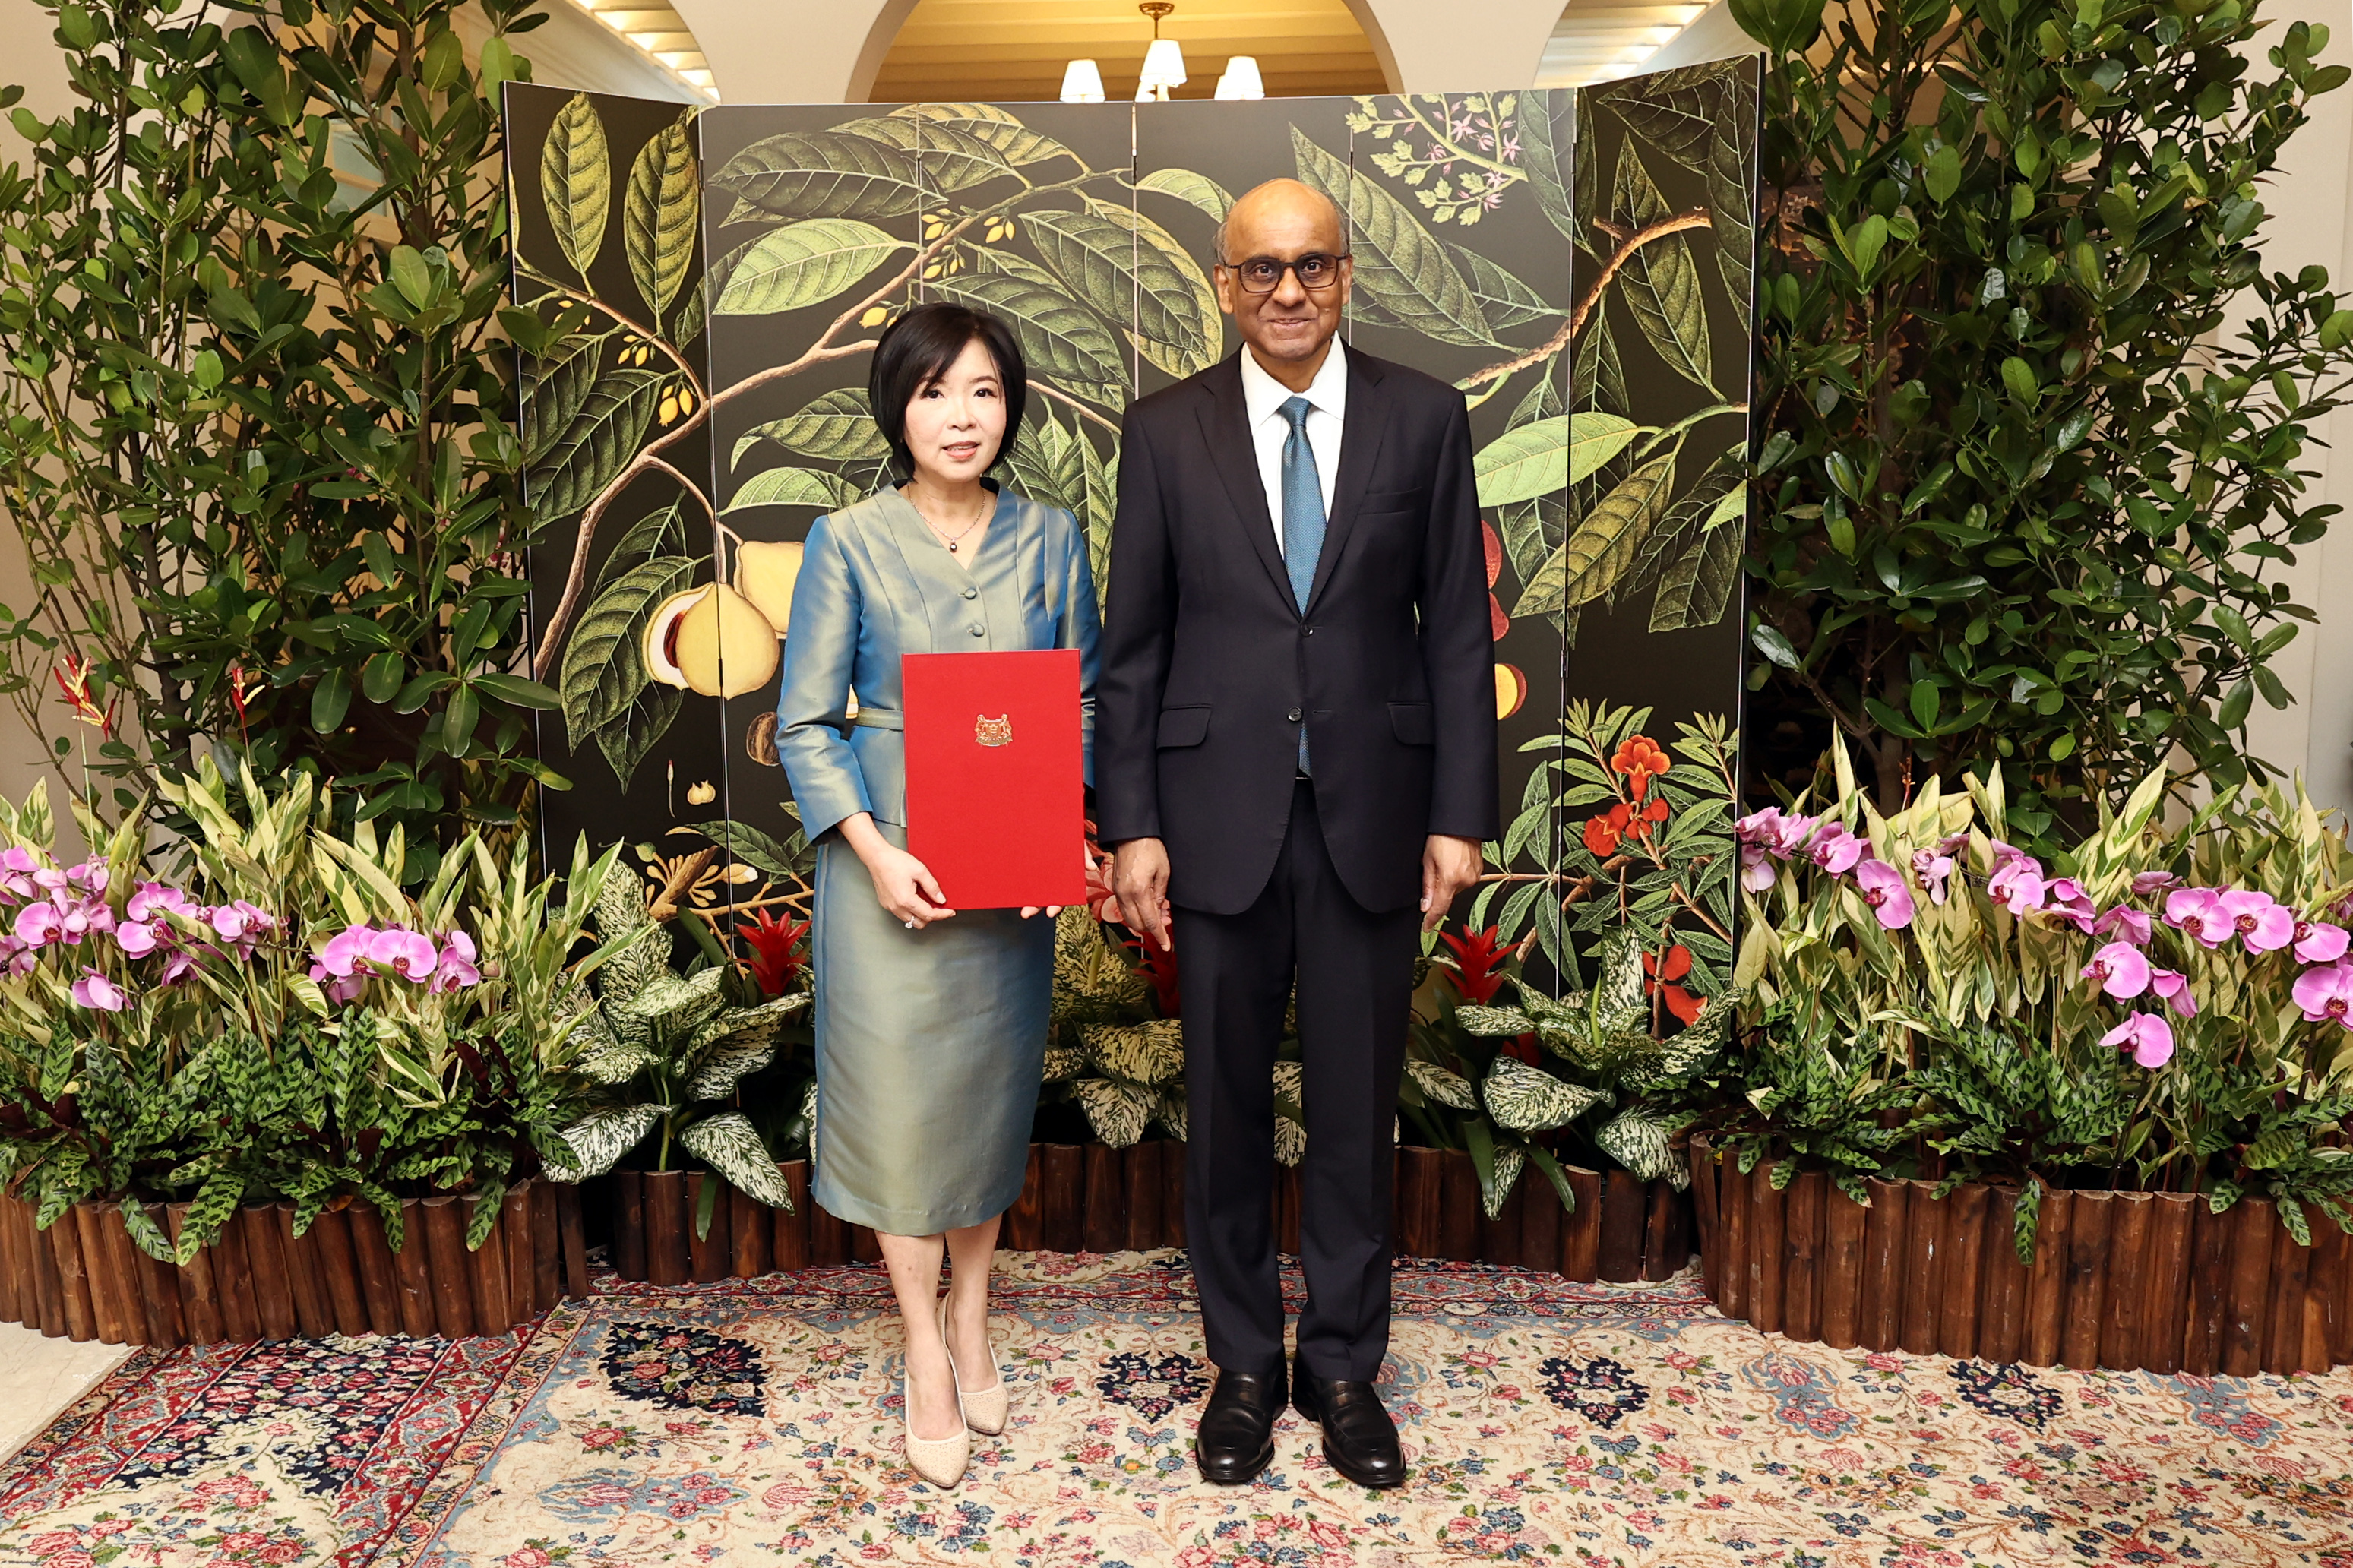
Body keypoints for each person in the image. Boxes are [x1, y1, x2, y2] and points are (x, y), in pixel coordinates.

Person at [1096, 179, 1498, 1490]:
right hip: (1212, 822)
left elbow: (1453, 629)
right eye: (1260, 268)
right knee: (1218, 1110)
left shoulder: (1424, 419)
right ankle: (1242, 1368)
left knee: (1351, 1109)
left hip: (1373, 815)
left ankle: (1338, 1367)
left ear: (1343, 277)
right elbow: (1136, 651)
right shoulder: (1160, 433)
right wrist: (1130, 827)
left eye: (1310, 264)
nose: (1285, 288)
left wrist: (1457, 815)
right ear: (1223, 284)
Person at [773, 302, 1102, 1491]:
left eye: (982, 392)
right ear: (896, 409)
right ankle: (922, 1340)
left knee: (978, 1099)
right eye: (933, 394)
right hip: (889, 875)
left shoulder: (1055, 535)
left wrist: (1060, 829)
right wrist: (869, 848)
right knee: (901, 1107)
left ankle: (974, 1315)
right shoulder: (846, 539)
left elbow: (1086, 701)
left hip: (1009, 876)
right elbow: (803, 723)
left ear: (1009, 406)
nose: (960, 417)